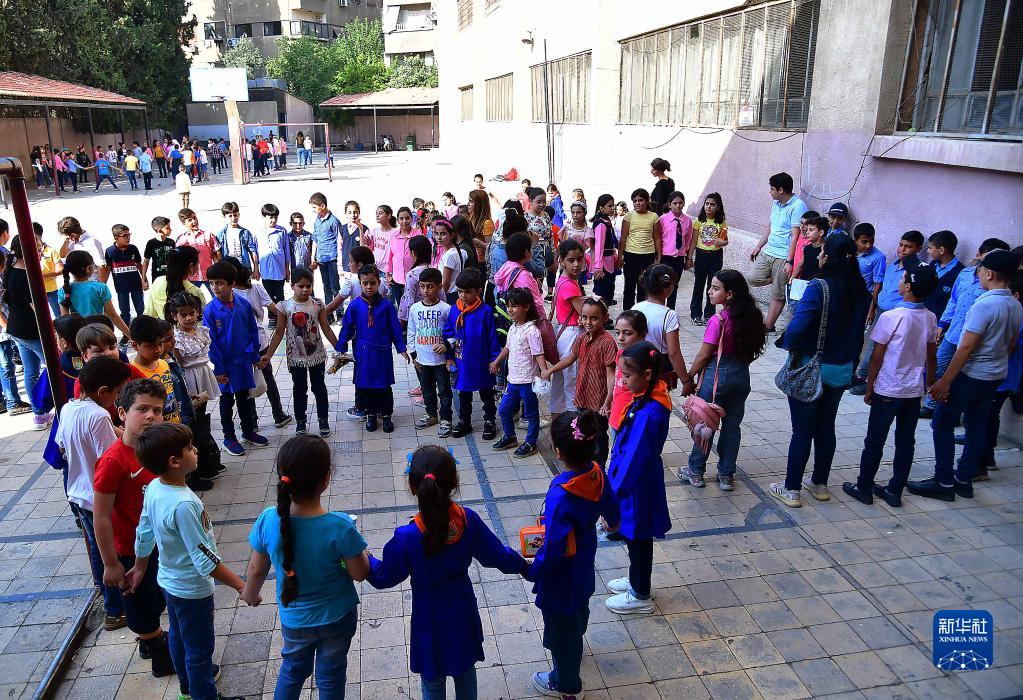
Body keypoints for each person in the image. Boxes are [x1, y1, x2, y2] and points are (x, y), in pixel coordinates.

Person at [367, 445, 528, 700]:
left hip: (428, 620)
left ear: (413, 487)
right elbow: (498, 556)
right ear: (454, 482)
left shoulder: (407, 537)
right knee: (465, 674)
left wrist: (364, 558)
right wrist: (526, 567)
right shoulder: (468, 520)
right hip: (462, 611)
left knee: (432, 682)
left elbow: (383, 576)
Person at [241, 435, 368, 699]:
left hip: (294, 619)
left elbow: (256, 569)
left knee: (292, 671)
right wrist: (358, 550)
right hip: (337, 617)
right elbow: (360, 573)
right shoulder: (340, 527)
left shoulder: (268, 520)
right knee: (331, 676)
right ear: (326, 479)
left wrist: (250, 593)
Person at [129, 423, 249, 700]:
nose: (196, 451)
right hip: (192, 590)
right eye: (189, 448)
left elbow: (144, 531)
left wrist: (141, 565)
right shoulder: (184, 504)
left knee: (179, 637)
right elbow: (204, 558)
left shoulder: (154, 487)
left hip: (169, 582)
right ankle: (203, 694)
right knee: (199, 649)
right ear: (174, 461)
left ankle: (187, 689)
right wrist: (241, 586)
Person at [909, 250, 1023, 501]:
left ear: (988, 273)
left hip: (972, 374)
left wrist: (945, 380)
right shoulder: (1015, 304)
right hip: (995, 374)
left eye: (979, 270)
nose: (977, 274)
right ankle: (963, 479)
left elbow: (966, 347)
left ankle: (943, 481)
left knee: (942, 422)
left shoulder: (984, 305)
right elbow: (1011, 344)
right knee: (976, 424)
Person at [770, 235, 871, 507]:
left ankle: (791, 489)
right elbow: (858, 334)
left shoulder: (819, 287)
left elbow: (798, 326)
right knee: (826, 427)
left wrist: (786, 343)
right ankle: (819, 483)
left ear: (828, 257)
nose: (820, 256)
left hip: (812, 368)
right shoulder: (861, 290)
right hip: (842, 369)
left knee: (802, 430)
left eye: (823, 252)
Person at [525, 411, 618, 699]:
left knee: (561, 621)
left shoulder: (562, 494)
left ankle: (566, 684)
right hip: (584, 557)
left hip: (561, 571)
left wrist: (535, 569)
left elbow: (553, 545)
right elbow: (611, 507)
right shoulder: (597, 472)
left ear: (558, 451)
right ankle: (574, 640)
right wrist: (612, 521)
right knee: (579, 605)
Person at [92, 379, 175, 677]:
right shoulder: (113, 461)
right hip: (130, 551)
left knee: (156, 597)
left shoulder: (155, 452)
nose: (151, 416)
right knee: (141, 604)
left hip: (159, 546)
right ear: (122, 413)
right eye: (143, 409)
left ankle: (151, 638)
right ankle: (157, 652)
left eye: (157, 410)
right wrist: (110, 563)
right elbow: (100, 516)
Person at [843, 265, 939, 507]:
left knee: (875, 440)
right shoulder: (930, 317)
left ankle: (864, 486)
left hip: (888, 388)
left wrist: (869, 386)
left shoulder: (891, 317)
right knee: (906, 441)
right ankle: (895, 490)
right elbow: (931, 354)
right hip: (913, 390)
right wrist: (930, 382)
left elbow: (877, 357)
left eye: (903, 278)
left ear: (908, 286)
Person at [54, 356, 132, 628]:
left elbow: (61, 446)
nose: (118, 398)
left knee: (98, 550)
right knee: (110, 552)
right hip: (97, 496)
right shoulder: (99, 415)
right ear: (103, 391)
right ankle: (116, 607)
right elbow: (110, 457)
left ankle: (112, 605)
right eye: (118, 392)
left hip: (77, 493)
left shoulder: (69, 407)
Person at [678, 271, 767, 490]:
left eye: (716, 288)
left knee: (705, 424)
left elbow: (704, 354)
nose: (710, 291)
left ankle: (696, 471)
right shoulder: (752, 316)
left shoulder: (718, 320)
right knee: (732, 427)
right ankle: (726, 474)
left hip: (716, 377)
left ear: (730, 294)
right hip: (741, 375)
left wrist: (689, 377)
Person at [605, 341, 672, 613]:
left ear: (646, 374)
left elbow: (634, 460)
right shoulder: (648, 395)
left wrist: (611, 500)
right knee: (634, 536)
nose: (622, 380)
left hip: (637, 487)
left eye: (627, 375)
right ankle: (637, 579)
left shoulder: (651, 411)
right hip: (635, 483)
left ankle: (640, 593)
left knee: (639, 537)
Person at [922, 238, 1011, 417]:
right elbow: (954, 300)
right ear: (980, 255)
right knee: (938, 367)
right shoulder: (964, 274)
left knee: (961, 376)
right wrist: (943, 323)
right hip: (953, 333)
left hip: (974, 340)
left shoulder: (997, 290)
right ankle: (931, 405)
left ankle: (954, 412)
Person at [264, 268, 339, 437]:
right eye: (301, 286)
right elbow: (279, 332)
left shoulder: (317, 304)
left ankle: (323, 419)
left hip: (316, 355)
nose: (305, 289)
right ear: (292, 286)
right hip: (296, 357)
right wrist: (268, 355)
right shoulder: (284, 306)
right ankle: (301, 421)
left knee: (319, 388)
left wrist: (338, 345)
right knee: (299, 389)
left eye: (308, 286)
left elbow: (325, 328)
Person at [203, 261, 268, 456]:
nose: (215, 287)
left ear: (232, 283)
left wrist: (255, 355)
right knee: (226, 402)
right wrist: (219, 369)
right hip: (225, 365)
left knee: (245, 398)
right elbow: (212, 343)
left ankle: (248, 431)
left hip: (244, 361)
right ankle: (229, 437)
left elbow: (252, 331)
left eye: (219, 283)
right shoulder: (210, 310)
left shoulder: (243, 304)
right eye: (212, 283)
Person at [542, 297, 617, 466]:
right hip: (582, 397)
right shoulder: (582, 338)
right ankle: (585, 466)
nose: (588, 322)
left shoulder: (607, 343)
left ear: (605, 318)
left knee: (599, 438)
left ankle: (598, 471)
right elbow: (570, 358)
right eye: (585, 317)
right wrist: (550, 371)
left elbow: (611, 375)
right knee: (583, 434)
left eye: (594, 318)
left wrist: (608, 401)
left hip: (599, 403)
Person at [335, 265, 408, 433]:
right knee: (366, 386)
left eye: (373, 283)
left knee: (384, 385)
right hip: (364, 353)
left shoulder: (386, 305)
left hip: (382, 352)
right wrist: (342, 346)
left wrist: (401, 347)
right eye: (365, 283)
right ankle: (371, 415)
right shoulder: (355, 305)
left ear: (379, 283)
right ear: (360, 283)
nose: (369, 287)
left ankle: (387, 416)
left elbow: (395, 328)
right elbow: (347, 327)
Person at [225, 259, 293, 429]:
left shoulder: (230, 294)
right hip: (260, 342)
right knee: (268, 378)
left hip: (243, 345)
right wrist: (289, 316)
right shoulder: (256, 288)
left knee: (248, 382)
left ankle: (253, 421)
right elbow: (274, 308)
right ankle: (278, 415)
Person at [855, 231, 925, 394]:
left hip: (897, 315)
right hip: (882, 310)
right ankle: (862, 376)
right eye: (901, 245)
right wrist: (873, 308)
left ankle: (870, 381)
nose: (902, 249)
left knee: (885, 349)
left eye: (908, 247)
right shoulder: (894, 264)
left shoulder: (914, 270)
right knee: (873, 344)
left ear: (918, 249)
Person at [167, 293, 223, 487]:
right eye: (183, 315)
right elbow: (179, 365)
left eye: (191, 313)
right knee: (192, 422)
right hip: (189, 379)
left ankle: (207, 460)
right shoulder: (177, 339)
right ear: (174, 316)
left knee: (201, 419)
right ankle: (197, 468)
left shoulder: (202, 332)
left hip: (204, 374)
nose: (189, 318)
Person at [489, 289, 549, 458]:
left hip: (528, 382)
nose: (510, 309)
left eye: (514, 306)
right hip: (512, 380)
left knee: (531, 414)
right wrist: (497, 361)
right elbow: (507, 347)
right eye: (508, 306)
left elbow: (538, 354)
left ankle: (530, 442)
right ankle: (510, 436)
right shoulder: (513, 328)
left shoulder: (532, 331)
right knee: (504, 410)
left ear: (527, 307)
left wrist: (545, 372)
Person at [442, 269, 500, 439]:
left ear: (478, 291)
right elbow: (448, 334)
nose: (463, 295)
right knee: (464, 393)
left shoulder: (486, 311)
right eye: (460, 291)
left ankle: (489, 421)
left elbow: (492, 337)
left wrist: (495, 360)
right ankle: (464, 421)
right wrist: (449, 358)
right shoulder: (454, 310)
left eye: (468, 292)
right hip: (462, 361)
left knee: (487, 393)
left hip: (482, 361)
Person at [748, 172, 809, 332]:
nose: (770, 192)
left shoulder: (798, 206)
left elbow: (795, 236)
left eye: (772, 189)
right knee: (752, 277)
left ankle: (768, 326)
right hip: (769, 251)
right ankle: (777, 280)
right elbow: (770, 226)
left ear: (781, 190)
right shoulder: (776, 203)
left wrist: (790, 261)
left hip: (783, 256)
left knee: (778, 294)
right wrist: (759, 246)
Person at [632, 265, 695, 395]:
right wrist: (685, 380)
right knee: (659, 400)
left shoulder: (636, 307)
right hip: (660, 367)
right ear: (667, 287)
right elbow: (673, 353)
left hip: (638, 362)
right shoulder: (669, 315)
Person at [407, 267, 454, 436]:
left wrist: (447, 345)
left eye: (430, 286)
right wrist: (414, 356)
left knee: (444, 391)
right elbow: (411, 332)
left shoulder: (446, 308)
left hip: (440, 361)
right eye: (422, 286)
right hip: (422, 360)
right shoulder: (414, 309)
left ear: (439, 287)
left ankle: (446, 418)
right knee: (427, 390)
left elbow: (455, 333)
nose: (425, 290)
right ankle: (431, 414)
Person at [548, 240, 586, 416]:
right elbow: (585, 314)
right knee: (572, 381)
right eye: (571, 260)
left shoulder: (562, 280)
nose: (576, 264)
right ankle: (572, 422)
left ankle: (557, 420)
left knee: (560, 382)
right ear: (561, 261)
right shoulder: (570, 285)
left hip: (563, 334)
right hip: (571, 336)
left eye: (579, 259)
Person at [58, 250, 132, 339]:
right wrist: (131, 336)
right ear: (88, 269)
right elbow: (113, 315)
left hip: (80, 337)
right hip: (99, 334)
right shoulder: (100, 288)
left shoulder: (63, 291)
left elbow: (65, 320)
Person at [129, 316, 181, 423]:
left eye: (160, 344)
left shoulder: (164, 364)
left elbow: (172, 395)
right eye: (151, 346)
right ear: (134, 345)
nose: (158, 350)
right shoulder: (133, 372)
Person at [617, 188, 662, 309]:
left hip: (648, 255)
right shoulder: (628, 216)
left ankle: (642, 312)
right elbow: (623, 238)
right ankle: (628, 313)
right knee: (629, 286)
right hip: (631, 255)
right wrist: (620, 257)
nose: (637, 203)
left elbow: (657, 238)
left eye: (640, 200)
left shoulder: (654, 217)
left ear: (647, 201)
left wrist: (659, 257)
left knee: (644, 286)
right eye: (635, 201)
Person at [690, 193, 729, 325]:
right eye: (707, 204)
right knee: (698, 285)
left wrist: (722, 242)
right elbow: (693, 241)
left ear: (718, 207)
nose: (709, 207)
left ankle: (709, 314)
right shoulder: (699, 221)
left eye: (712, 205)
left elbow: (725, 240)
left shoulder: (721, 223)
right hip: (701, 255)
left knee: (713, 286)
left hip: (716, 256)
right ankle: (696, 314)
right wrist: (689, 257)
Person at [103, 224, 147, 337]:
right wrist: (102, 285)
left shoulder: (133, 249)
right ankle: (126, 334)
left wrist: (144, 280)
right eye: (125, 236)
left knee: (140, 309)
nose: (128, 238)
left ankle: (142, 330)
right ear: (116, 238)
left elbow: (139, 264)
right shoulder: (110, 251)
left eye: (129, 235)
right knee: (124, 311)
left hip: (136, 285)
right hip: (121, 287)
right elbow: (108, 268)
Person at [658, 191, 693, 310]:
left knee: (674, 285)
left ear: (684, 204)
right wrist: (657, 257)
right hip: (665, 257)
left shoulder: (687, 220)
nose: (678, 205)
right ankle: (661, 309)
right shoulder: (662, 219)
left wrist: (688, 258)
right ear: (669, 204)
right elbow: (658, 238)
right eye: (675, 203)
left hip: (679, 258)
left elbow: (687, 240)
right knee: (663, 284)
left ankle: (671, 310)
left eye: (680, 203)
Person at [309, 192, 343, 317]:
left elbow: (340, 240)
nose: (313, 210)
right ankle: (328, 313)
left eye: (314, 207)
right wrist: (313, 257)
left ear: (322, 206)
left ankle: (339, 312)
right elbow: (316, 240)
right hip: (321, 258)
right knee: (326, 286)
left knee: (335, 286)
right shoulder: (317, 221)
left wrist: (340, 260)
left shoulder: (334, 221)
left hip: (332, 258)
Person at [175, 208, 221, 288]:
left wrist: (220, 270)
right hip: (190, 280)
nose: (194, 221)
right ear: (183, 223)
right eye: (190, 220)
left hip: (209, 277)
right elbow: (178, 260)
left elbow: (217, 253)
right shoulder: (181, 240)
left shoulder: (208, 235)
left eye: (194, 218)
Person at [852, 223, 886, 331]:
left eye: (872, 241)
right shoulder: (850, 251)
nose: (868, 245)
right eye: (864, 242)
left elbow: (878, 285)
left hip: (863, 301)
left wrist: (871, 309)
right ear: (855, 241)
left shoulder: (878, 258)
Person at [924, 230, 965, 319]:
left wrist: (943, 323)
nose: (928, 251)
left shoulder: (960, 273)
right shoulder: (933, 264)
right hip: (923, 317)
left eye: (930, 248)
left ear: (941, 250)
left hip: (939, 322)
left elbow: (955, 302)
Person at [257, 203, 290, 311]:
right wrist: (256, 269)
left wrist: (287, 270)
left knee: (279, 295)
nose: (274, 220)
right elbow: (255, 252)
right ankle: (272, 316)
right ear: (264, 217)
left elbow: (286, 252)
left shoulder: (282, 231)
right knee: (269, 296)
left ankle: (281, 315)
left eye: (276, 217)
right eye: (271, 217)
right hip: (265, 271)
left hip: (279, 271)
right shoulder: (258, 232)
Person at [588, 195, 619, 309]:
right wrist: (598, 266)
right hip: (603, 264)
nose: (612, 208)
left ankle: (604, 312)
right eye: (609, 206)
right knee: (602, 291)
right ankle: (600, 314)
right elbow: (599, 246)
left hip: (609, 261)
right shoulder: (601, 224)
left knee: (609, 288)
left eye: (613, 205)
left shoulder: (606, 221)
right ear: (601, 208)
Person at [216, 201, 259, 277]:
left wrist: (256, 269)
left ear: (239, 215)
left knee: (245, 284)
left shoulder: (245, 232)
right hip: (228, 269)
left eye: (235, 215)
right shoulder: (221, 234)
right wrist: (221, 268)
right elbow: (218, 253)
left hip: (244, 268)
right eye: (230, 216)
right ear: (224, 216)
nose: (233, 218)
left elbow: (252, 251)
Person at [397, 235, 433, 325]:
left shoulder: (412, 274)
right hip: (432, 314)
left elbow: (409, 299)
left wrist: (406, 320)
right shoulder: (434, 270)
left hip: (417, 316)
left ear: (413, 253)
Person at [384, 207, 417, 303]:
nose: (404, 221)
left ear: (411, 219)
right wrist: (388, 272)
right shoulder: (394, 236)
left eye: (407, 218)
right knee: (400, 303)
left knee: (413, 302)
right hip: (397, 277)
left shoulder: (417, 235)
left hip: (413, 277)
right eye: (401, 218)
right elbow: (390, 255)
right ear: (398, 220)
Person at [58, 216, 106, 280]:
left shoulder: (92, 241)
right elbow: (63, 256)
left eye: (69, 235)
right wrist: (66, 242)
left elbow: (101, 265)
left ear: (73, 234)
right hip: (77, 282)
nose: (68, 237)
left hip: (92, 282)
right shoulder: (70, 242)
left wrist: (101, 285)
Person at [434, 218, 466, 305]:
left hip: (449, 295)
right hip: (457, 292)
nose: (439, 237)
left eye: (443, 234)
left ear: (451, 235)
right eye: (436, 234)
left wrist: (440, 299)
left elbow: (445, 284)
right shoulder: (461, 251)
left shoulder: (449, 255)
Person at [791, 216, 827, 281]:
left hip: (818, 284)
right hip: (804, 283)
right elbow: (801, 264)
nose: (807, 232)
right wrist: (792, 278)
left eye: (811, 230)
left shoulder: (826, 250)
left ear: (821, 232)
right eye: (807, 230)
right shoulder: (807, 248)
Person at [340, 200, 370, 276]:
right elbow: (339, 248)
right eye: (349, 212)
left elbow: (364, 249)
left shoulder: (364, 229)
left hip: (359, 268)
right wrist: (340, 267)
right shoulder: (342, 229)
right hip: (345, 267)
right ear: (346, 214)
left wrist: (360, 230)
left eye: (355, 212)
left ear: (359, 213)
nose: (353, 215)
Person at [143, 217, 176, 283]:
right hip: (157, 278)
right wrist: (143, 278)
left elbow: (175, 259)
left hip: (171, 276)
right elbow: (146, 261)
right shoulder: (151, 243)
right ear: (160, 230)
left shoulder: (171, 242)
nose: (170, 230)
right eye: (168, 228)